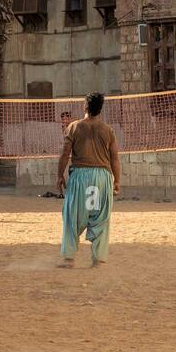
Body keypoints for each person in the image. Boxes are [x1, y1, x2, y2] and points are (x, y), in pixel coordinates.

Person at [56, 92, 120, 268]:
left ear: (85, 106)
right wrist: (117, 181)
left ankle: (69, 259)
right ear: (100, 109)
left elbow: (64, 154)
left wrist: (59, 175)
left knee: (71, 216)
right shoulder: (108, 130)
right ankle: (97, 261)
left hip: (80, 176)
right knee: (101, 219)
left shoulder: (74, 127)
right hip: (103, 177)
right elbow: (114, 158)